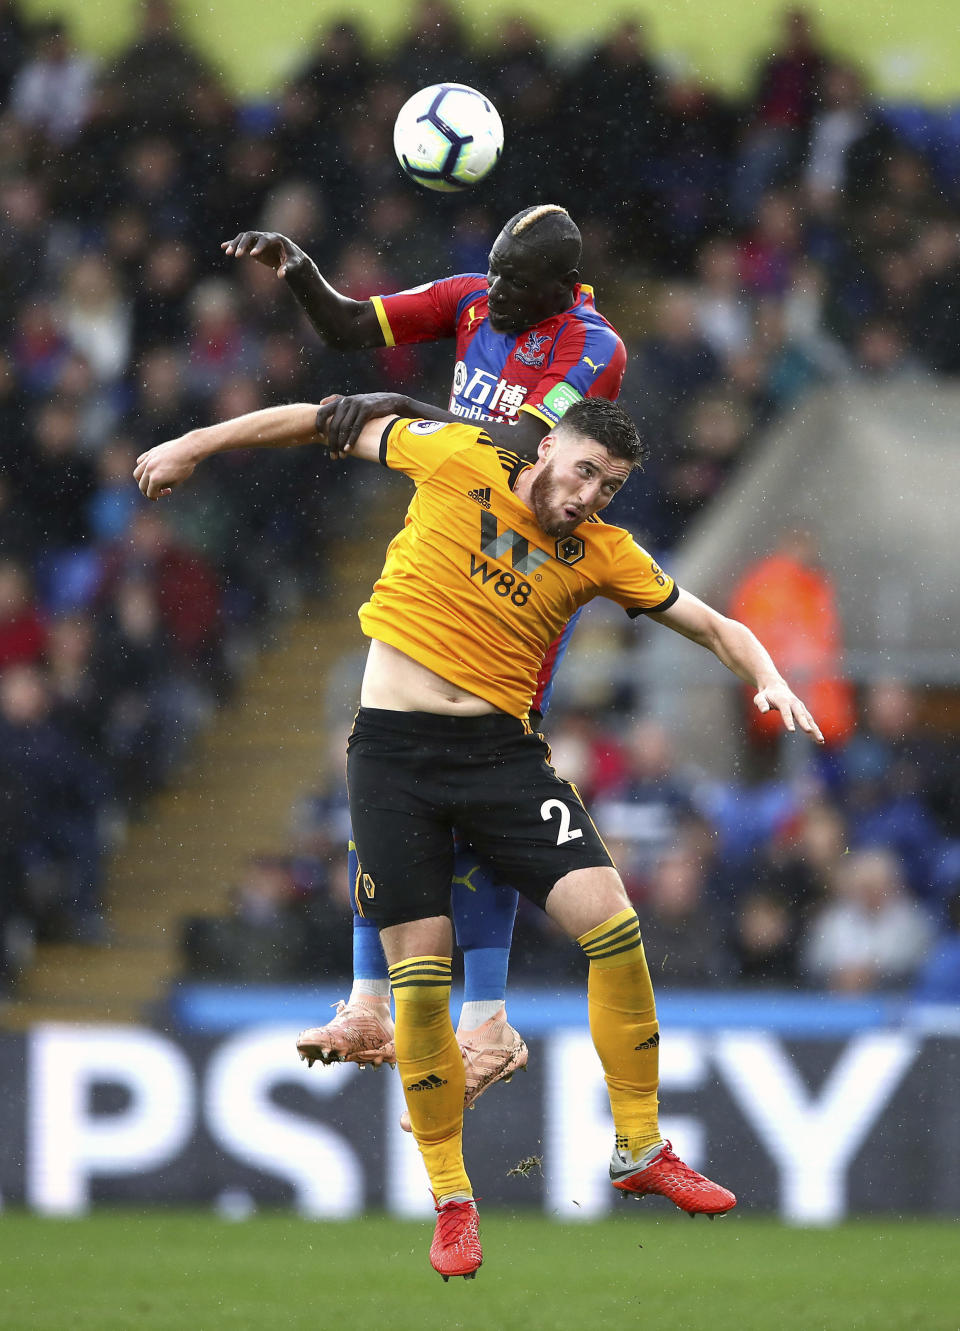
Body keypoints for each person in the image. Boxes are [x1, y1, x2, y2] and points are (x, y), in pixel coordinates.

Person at [135, 393, 823, 1279]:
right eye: (582, 471)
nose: (588, 497)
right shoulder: (455, 455)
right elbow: (320, 419)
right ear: (550, 446)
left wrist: (767, 674)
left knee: (613, 923)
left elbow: (713, 623)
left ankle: (641, 1145)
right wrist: (194, 438)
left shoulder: (603, 553)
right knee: (420, 983)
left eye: (608, 487)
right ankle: (454, 1203)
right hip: (393, 757)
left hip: (501, 756)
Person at [222, 205, 627, 1117]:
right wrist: (298, 270)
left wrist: (399, 411)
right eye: (492, 274)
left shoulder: (594, 347)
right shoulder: (476, 301)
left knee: (474, 802)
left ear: (561, 287)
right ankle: (370, 1006)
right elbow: (347, 325)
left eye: (516, 286)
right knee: (387, 775)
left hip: (518, 593)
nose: (497, 295)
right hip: (441, 567)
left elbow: (515, 452)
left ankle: (486, 1019)